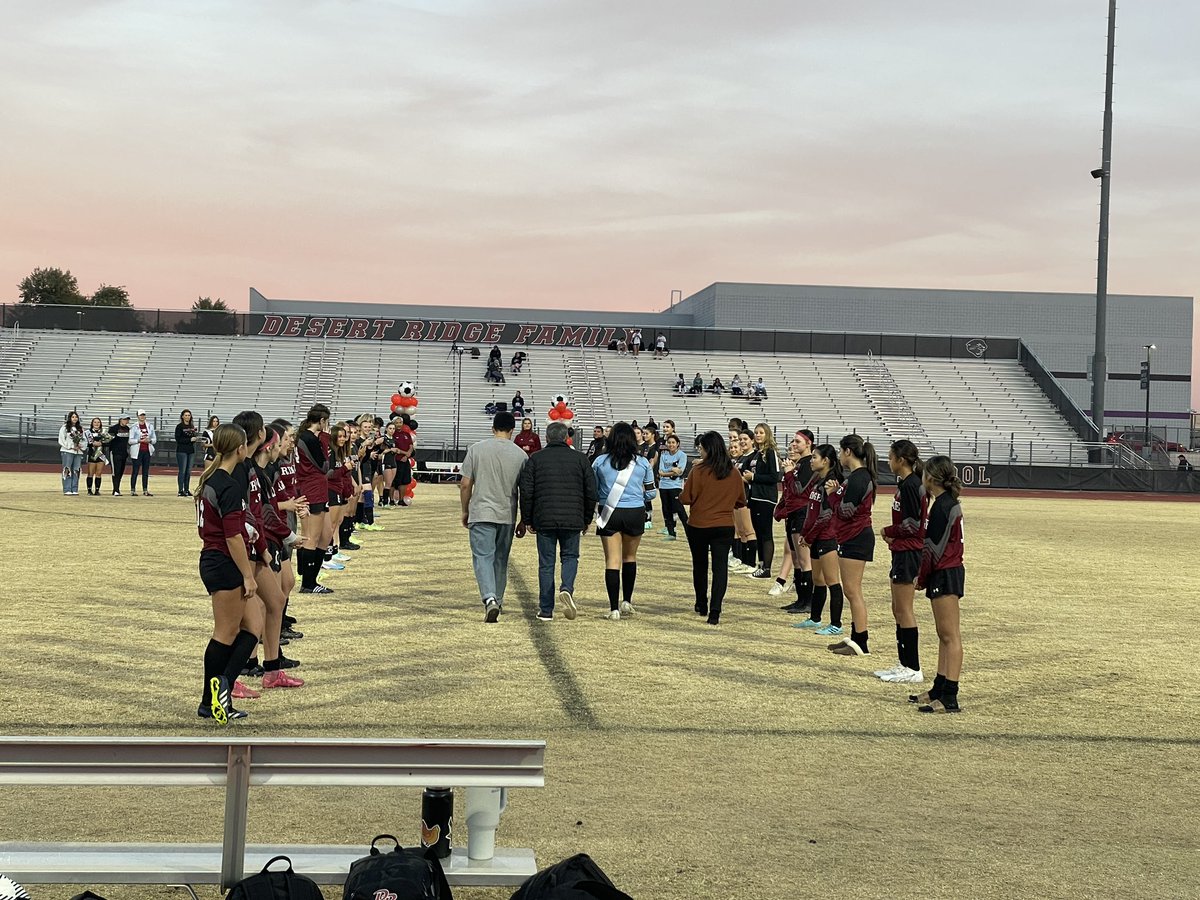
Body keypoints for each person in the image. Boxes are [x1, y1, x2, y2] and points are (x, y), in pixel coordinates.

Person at [194, 422, 263, 722]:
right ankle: (210, 701)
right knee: (225, 632)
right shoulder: (228, 484)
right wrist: (248, 575)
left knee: (253, 626)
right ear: (240, 448)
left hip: (215, 559)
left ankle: (223, 684)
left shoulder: (213, 479)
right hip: (223, 562)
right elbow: (232, 536)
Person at [519, 421, 597, 621]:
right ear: (566, 438)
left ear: (546, 438)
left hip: (544, 518)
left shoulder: (535, 459)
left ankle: (546, 610)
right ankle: (567, 588)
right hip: (573, 518)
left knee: (546, 564)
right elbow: (591, 492)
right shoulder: (580, 459)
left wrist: (527, 518)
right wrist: (587, 518)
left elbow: (526, 491)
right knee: (570, 557)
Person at [460, 411, 528, 622]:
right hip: (506, 513)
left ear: (493, 428)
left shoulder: (476, 449)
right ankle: (497, 599)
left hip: (481, 511)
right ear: (512, 430)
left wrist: (465, 509)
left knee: (483, 557)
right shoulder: (521, 455)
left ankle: (489, 598)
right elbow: (525, 490)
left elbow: (465, 484)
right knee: (500, 559)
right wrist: (524, 518)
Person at [911, 456, 965, 713]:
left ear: (930, 478)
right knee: (943, 634)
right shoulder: (944, 503)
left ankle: (950, 696)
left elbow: (933, 548)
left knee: (950, 635)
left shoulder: (943, 506)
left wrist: (920, 578)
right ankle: (939, 688)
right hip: (945, 571)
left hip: (945, 572)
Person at [680, 431, 746, 625]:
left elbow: (686, 498)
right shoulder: (733, 472)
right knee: (720, 569)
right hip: (724, 525)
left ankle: (701, 603)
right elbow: (741, 500)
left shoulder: (698, 471)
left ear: (707, 449)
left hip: (699, 524)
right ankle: (715, 610)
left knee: (700, 566)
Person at [592, 421, 656, 620]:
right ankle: (627, 601)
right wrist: (638, 498)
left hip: (608, 512)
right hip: (635, 512)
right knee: (630, 557)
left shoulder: (600, 462)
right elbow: (652, 493)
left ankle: (613, 609)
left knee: (612, 559)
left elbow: (594, 491)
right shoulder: (643, 463)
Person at [877, 440, 928, 685]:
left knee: (904, 610)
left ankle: (913, 667)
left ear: (901, 459)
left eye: (890, 456)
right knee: (897, 609)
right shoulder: (906, 484)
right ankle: (904, 662)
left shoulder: (911, 485)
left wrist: (888, 530)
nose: (888, 461)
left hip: (909, 553)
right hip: (901, 551)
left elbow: (913, 525)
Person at [826, 434, 877, 657]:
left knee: (853, 591)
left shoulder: (858, 477)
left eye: (840, 451)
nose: (839, 456)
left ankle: (861, 641)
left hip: (855, 536)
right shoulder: (858, 476)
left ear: (848, 451)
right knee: (851, 591)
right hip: (852, 536)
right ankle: (856, 637)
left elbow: (847, 510)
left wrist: (832, 496)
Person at [793, 444, 845, 633]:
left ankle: (836, 624)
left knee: (832, 580)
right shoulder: (818, 479)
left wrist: (810, 535)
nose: (812, 460)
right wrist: (806, 534)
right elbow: (808, 506)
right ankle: (815, 618)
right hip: (815, 537)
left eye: (815, 457)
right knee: (818, 579)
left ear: (826, 461)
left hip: (827, 537)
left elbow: (826, 515)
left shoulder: (832, 483)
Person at [295, 404, 335, 595]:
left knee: (325, 535)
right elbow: (324, 465)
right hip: (312, 488)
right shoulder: (309, 438)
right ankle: (308, 583)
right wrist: (325, 439)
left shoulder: (307, 437)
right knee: (312, 537)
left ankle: (310, 576)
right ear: (321, 421)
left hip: (317, 488)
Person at [742, 423, 781, 579]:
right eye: (756, 432)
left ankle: (767, 568)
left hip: (765, 498)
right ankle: (761, 564)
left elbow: (775, 477)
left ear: (767, 434)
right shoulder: (758, 453)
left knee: (765, 533)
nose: (758, 435)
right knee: (758, 532)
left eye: (761, 433)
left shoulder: (770, 452)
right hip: (755, 496)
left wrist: (754, 477)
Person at [657, 433, 689, 540]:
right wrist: (672, 470)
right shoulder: (663, 455)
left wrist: (668, 472)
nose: (671, 445)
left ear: (678, 444)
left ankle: (690, 533)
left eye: (673, 443)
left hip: (675, 486)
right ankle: (671, 533)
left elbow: (680, 472)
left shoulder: (682, 455)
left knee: (679, 510)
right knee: (666, 509)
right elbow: (660, 471)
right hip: (663, 486)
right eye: (669, 442)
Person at [128, 410, 157, 496]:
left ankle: (145, 489)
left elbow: (154, 439)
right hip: (137, 451)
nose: (142, 417)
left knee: (145, 471)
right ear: (137, 416)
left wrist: (150, 440)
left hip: (147, 451)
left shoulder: (150, 426)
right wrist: (139, 440)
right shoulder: (134, 427)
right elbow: (130, 440)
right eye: (140, 415)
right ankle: (133, 490)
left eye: (143, 415)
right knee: (135, 471)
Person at [58, 411, 85, 495]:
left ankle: (75, 488)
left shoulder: (80, 428)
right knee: (67, 469)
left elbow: (84, 439)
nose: (74, 418)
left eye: (76, 417)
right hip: (67, 451)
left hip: (78, 452)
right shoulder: (65, 428)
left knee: (76, 470)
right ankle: (67, 489)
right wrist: (70, 446)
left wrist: (81, 446)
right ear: (70, 418)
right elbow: (61, 439)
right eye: (73, 417)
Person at [83, 416, 110, 496]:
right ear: (92, 423)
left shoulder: (103, 432)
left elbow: (108, 442)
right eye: (95, 422)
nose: (96, 424)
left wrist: (102, 443)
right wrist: (92, 444)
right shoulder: (88, 432)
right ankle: (89, 490)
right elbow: (85, 443)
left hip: (101, 455)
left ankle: (97, 490)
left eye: (98, 422)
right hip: (91, 454)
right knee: (90, 473)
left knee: (99, 473)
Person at [176, 409, 199, 497]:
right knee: (182, 471)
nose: (187, 417)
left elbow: (193, 437)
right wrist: (189, 439)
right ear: (182, 416)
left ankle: (186, 489)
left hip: (190, 450)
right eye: (185, 415)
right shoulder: (179, 426)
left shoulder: (192, 426)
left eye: (189, 415)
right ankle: (180, 490)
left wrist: (194, 439)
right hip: (182, 450)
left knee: (188, 471)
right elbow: (178, 439)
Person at [107, 414, 131, 495]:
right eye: (125, 419)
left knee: (121, 471)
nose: (126, 421)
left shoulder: (127, 429)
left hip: (123, 453)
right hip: (115, 453)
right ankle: (116, 490)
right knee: (115, 471)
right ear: (120, 419)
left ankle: (116, 489)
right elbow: (108, 440)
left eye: (127, 420)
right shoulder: (113, 428)